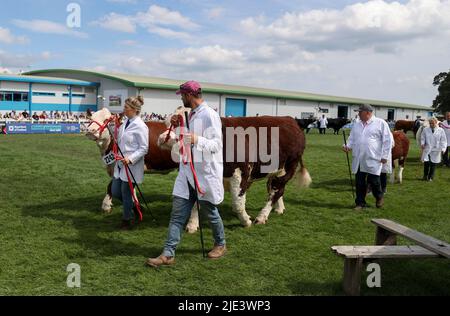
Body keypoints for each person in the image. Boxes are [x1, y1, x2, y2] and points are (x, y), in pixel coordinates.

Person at [146, 81, 226, 267]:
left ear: (189, 95)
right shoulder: (190, 114)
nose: (181, 98)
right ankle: (168, 254)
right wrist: (175, 127)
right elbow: (184, 138)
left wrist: (198, 140)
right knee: (177, 215)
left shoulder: (210, 115)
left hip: (204, 174)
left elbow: (216, 145)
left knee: (210, 213)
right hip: (187, 172)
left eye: (182, 95)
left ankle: (220, 244)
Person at [343, 104, 392, 211]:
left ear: (368, 113)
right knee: (359, 181)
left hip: (374, 158)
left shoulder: (380, 123)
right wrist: (347, 146)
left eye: (360, 112)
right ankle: (360, 203)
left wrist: (384, 156)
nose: (358, 114)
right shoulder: (356, 124)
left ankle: (379, 197)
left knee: (374, 181)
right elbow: (352, 138)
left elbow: (388, 141)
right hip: (359, 157)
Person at [111, 96, 149, 230]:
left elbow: (144, 148)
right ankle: (135, 207)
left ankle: (127, 220)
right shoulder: (125, 122)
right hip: (121, 164)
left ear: (134, 110)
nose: (124, 110)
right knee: (115, 191)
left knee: (126, 193)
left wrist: (131, 158)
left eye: (126, 108)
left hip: (131, 165)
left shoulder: (141, 126)